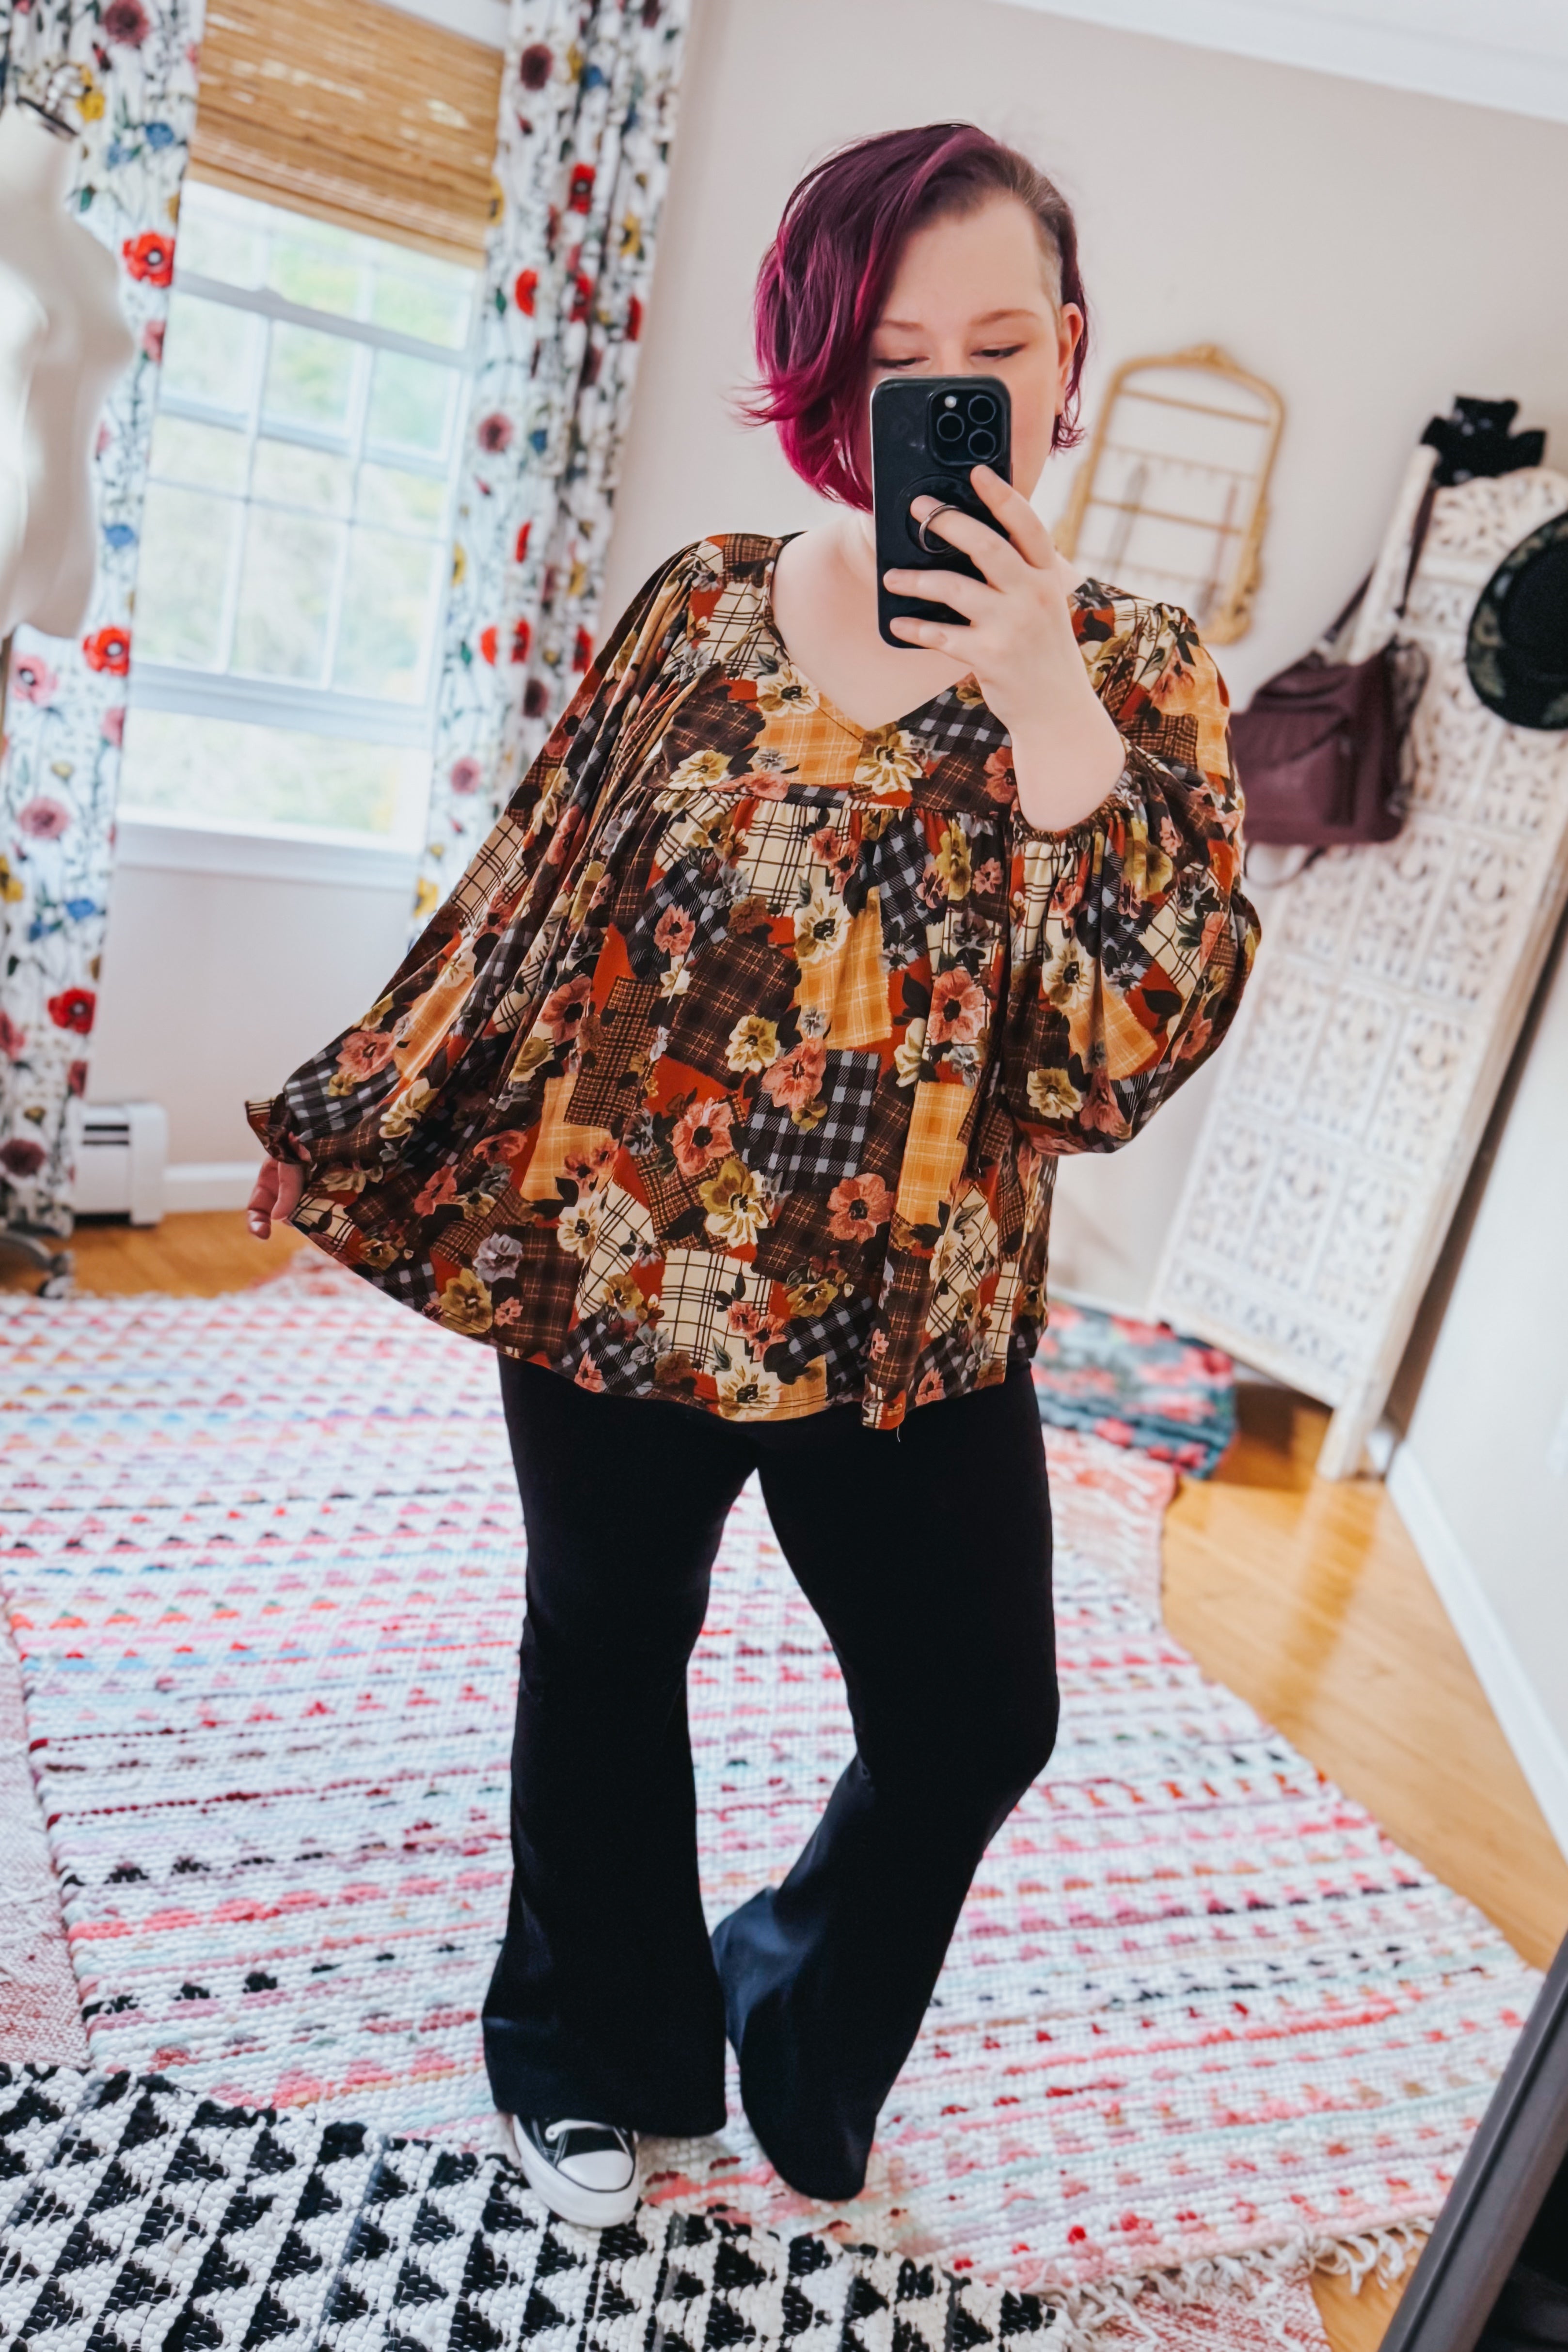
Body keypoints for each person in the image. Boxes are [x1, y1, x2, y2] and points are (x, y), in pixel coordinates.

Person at [245, 122, 1260, 2231]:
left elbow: (1125, 1051)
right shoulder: (707, 606)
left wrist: (1043, 692)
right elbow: (535, 890)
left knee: (977, 1712)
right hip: (621, 1263)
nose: (950, 394)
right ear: (830, 373)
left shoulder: (1140, 673)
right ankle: (591, 2046)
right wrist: (353, 1111)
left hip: (917, 1313)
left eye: (994, 344)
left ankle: (788, 2008)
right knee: (605, 1650)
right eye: (900, 355)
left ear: (1064, 358)